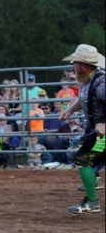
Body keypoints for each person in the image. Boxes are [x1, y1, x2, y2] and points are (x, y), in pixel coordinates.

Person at [59, 44, 105, 214]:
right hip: (98, 132)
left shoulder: (101, 83)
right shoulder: (89, 81)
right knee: (85, 159)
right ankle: (92, 198)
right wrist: (69, 110)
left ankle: (92, 201)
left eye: (75, 63)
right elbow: (84, 99)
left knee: (83, 159)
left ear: (83, 65)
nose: (73, 66)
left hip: (103, 132)